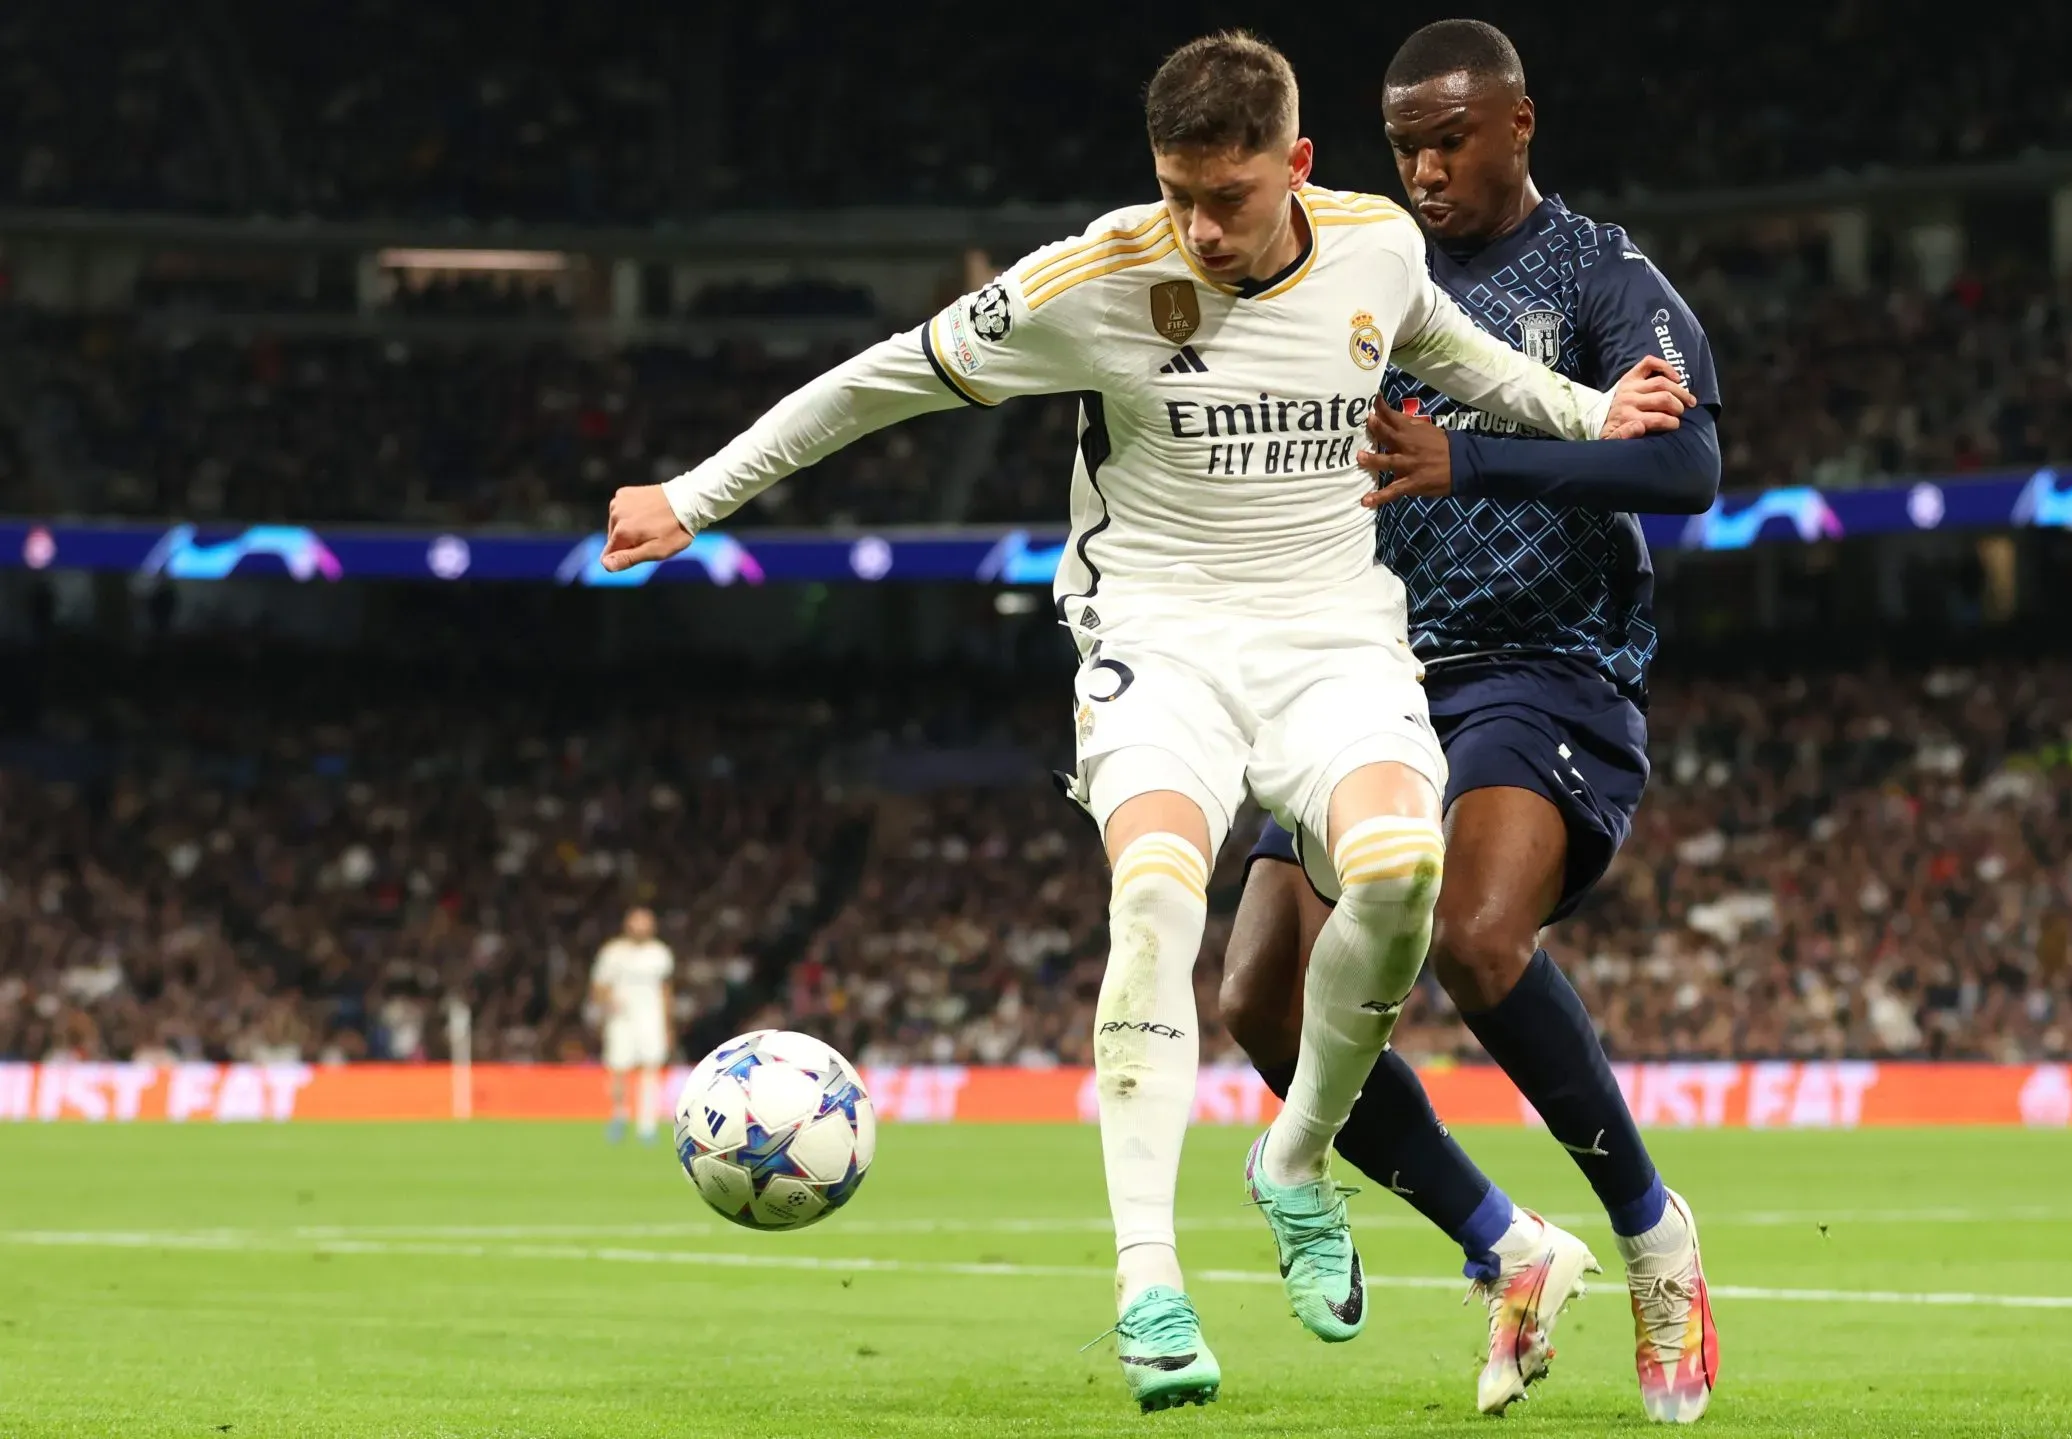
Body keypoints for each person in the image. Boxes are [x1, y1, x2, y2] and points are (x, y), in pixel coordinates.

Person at [597, 30, 1703, 1413]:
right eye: (1176, 192)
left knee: (1404, 873)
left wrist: (1602, 415)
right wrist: (694, 496)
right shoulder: (1098, 275)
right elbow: (879, 377)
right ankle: (1148, 1280)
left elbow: (1474, 367)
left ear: (1297, 167)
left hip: (1332, 637)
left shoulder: (1369, 249)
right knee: (1158, 900)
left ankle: (1293, 1159)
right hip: (1159, 637)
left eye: (1227, 198)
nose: (1198, 227)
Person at [1216, 20, 1720, 1422]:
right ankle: (1507, 1241)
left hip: (1545, 662)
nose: (1426, 169)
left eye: (1450, 140)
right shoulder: (1362, 269)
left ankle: (1652, 1236)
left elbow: (1687, 464)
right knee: (1260, 998)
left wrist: (1473, 456)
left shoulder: (1604, 278)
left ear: (1519, 125)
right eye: (1404, 147)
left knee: (1477, 936)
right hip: (1361, 673)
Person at [590, 906, 675, 1144]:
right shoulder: (613, 952)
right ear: (627, 924)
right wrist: (606, 1002)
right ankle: (619, 1115)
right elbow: (598, 985)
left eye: (644, 922)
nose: (640, 927)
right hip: (622, 1020)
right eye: (636, 922)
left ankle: (647, 1125)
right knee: (618, 1069)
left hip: (651, 1019)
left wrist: (668, 1024)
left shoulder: (660, 953)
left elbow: (666, 990)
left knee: (651, 1069)